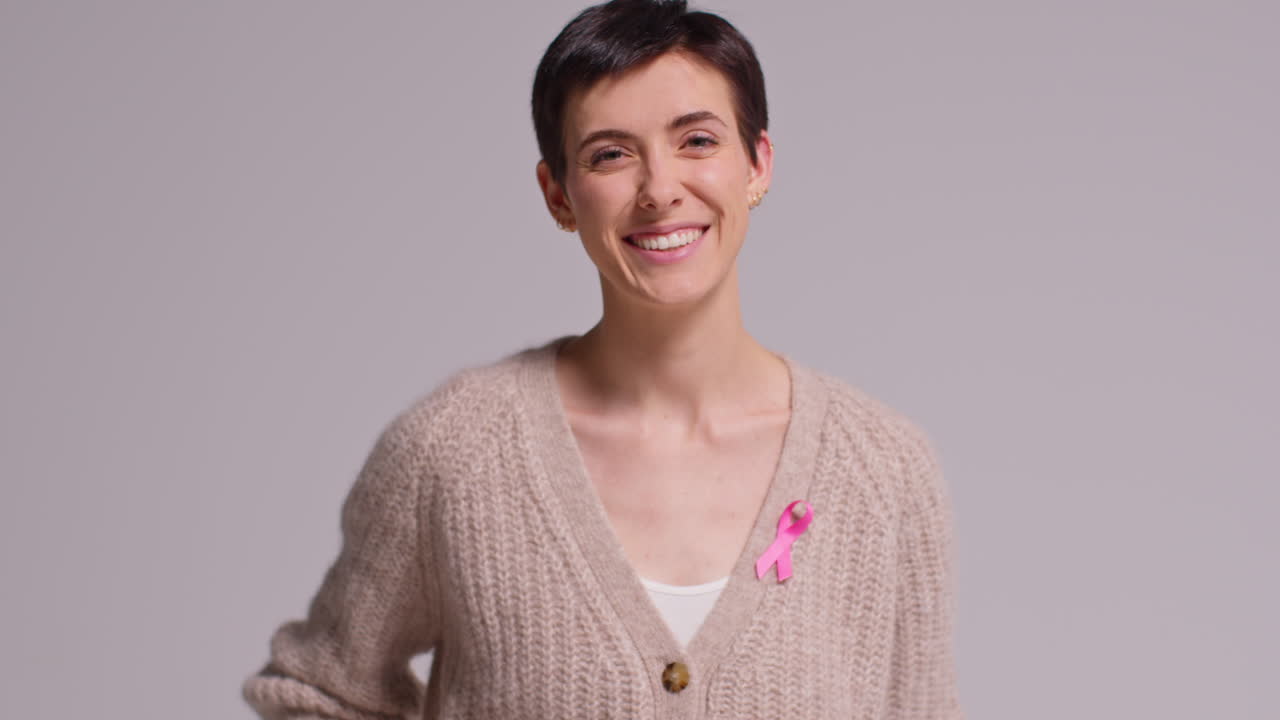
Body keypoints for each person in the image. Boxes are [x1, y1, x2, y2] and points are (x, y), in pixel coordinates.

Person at [241, 0, 963, 717]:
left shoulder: (884, 471)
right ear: (558, 195)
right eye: (611, 154)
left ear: (758, 164)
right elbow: (318, 691)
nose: (659, 190)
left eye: (698, 141)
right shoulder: (452, 454)